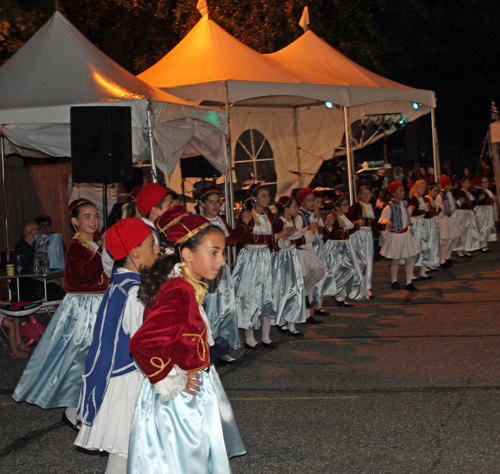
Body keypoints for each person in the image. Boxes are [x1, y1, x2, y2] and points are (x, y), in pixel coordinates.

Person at [127, 214, 245, 474]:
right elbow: (142, 342)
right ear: (187, 254)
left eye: (222, 253)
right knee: (187, 462)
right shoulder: (179, 290)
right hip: (182, 397)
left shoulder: (183, 284)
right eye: (214, 252)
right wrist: (172, 378)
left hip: (189, 388)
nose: (222, 260)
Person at [13, 199, 110, 431]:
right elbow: (86, 276)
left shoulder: (94, 246)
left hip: (100, 304)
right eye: (86, 216)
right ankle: (73, 410)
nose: (93, 220)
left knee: (97, 357)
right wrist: (104, 251)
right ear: (74, 221)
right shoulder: (76, 247)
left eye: (95, 215)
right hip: (82, 309)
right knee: (81, 358)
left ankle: (92, 405)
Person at [75, 218, 159, 474]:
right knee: (129, 450)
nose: (157, 250)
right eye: (151, 245)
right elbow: (146, 343)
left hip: (122, 376)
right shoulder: (134, 292)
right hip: (131, 380)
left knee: (128, 453)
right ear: (134, 252)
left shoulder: (121, 284)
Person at [198, 185, 251, 359]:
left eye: (217, 202)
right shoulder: (199, 222)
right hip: (207, 270)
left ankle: (222, 347)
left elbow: (232, 237)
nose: (214, 205)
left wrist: (243, 223)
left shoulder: (220, 220)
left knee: (226, 308)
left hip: (222, 269)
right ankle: (208, 348)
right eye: (210, 202)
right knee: (210, 308)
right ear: (203, 204)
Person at [232, 183, 276, 349]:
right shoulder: (247, 215)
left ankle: (266, 336)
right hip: (250, 257)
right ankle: (250, 337)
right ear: (254, 198)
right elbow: (240, 235)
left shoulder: (268, 215)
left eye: (268, 195)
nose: (267, 198)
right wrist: (244, 223)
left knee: (267, 295)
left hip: (265, 256)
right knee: (249, 295)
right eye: (263, 195)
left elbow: (270, 238)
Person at [272, 196, 312, 337]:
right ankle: (281, 320)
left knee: (295, 289)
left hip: (291, 257)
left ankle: (291, 322)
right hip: (282, 259)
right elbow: (277, 243)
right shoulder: (279, 222)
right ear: (287, 208)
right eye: (295, 207)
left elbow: (294, 239)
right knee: (283, 289)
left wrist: (307, 232)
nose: (297, 209)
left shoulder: (291, 221)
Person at [322, 196, 368, 306]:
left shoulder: (344, 217)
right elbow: (327, 233)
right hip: (335, 247)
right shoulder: (333, 217)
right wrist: (328, 225)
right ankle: (336, 295)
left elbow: (348, 231)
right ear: (337, 207)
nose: (347, 207)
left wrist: (356, 225)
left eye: (347, 204)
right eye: (345, 205)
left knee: (348, 270)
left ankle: (340, 296)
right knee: (336, 271)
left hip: (345, 246)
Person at [378, 180, 420, 291]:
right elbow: (382, 220)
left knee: (409, 258)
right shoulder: (389, 207)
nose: (403, 192)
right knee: (396, 259)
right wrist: (387, 223)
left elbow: (405, 217)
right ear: (394, 193)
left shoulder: (404, 204)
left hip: (405, 234)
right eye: (400, 191)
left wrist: (410, 210)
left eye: (403, 190)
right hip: (396, 235)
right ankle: (394, 280)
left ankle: (409, 282)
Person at [294, 187, 326, 323]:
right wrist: (308, 229)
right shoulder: (300, 216)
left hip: (311, 249)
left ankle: (307, 309)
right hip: (302, 252)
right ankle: (305, 314)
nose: (312, 202)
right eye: (308, 200)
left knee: (317, 275)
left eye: (313, 199)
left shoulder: (311, 214)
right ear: (302, 202)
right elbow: (296, 233)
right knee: (308, 277)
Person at [348, 185, 377, 296]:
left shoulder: (370, 206)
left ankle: (366, 287)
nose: (366, 196)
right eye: (363, 193)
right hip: (358, 234)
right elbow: (351, 220)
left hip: (368, 234)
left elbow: (372, 223)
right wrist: (357, 222)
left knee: (368, 261)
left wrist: (383, 227)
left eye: (368, 193)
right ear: (359, 194)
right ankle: (357, 287)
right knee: (360, 261)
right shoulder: (356, 206)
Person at [408, 180, 432, 280]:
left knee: (425, 246)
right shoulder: (414, 199)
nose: (422, 190)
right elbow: (411, 212)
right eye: (420, 188)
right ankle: (410, 273)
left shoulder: (423, 198)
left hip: (423, 223)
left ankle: (423, 270)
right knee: (416, 247)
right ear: (416, 188)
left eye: (423, 188)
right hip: (417, 223)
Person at [436, 175, 462, 267]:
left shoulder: (449, 194)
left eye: (450, 185)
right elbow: (439, 210)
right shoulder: (440, 196)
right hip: (443, 219)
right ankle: (442, 260)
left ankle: (447, 255)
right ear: (443, 186)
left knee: (456, 236)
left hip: (450, 217)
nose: (450, 187)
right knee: (445, 240)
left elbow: (452, 208)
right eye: (448, 185)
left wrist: (457, 203)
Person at [453, 177, 480, 257]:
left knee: (467, 231)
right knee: (461, 230)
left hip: (468, 212)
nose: (469, 183)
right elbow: (457, 203)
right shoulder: (461, 193)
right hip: (462, 213)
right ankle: (458, 249)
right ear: (463, 183)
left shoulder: (468, 192)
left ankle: (465, 248)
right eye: (467, 181)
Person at [474, 176, 497, 252]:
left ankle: (484, 245)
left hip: (488, 210)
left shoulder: (488, 191)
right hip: (482, 211)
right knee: (482, 227)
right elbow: (478, 200)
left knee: (487, 227)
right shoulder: (479, 191)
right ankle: (482, 246)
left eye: (487, 181)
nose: (486, 183)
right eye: (484, 182)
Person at [423, 183, 442, 271]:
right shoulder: (427, 199)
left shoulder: (431, 199)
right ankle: (428, 263)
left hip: (433, 222)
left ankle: (432, 262)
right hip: (429, 223)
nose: (436, 193)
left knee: (434, 243)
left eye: (437, 191)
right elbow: (428, 213)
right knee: (430, 243)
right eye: (435, 191)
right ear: (429, 190)